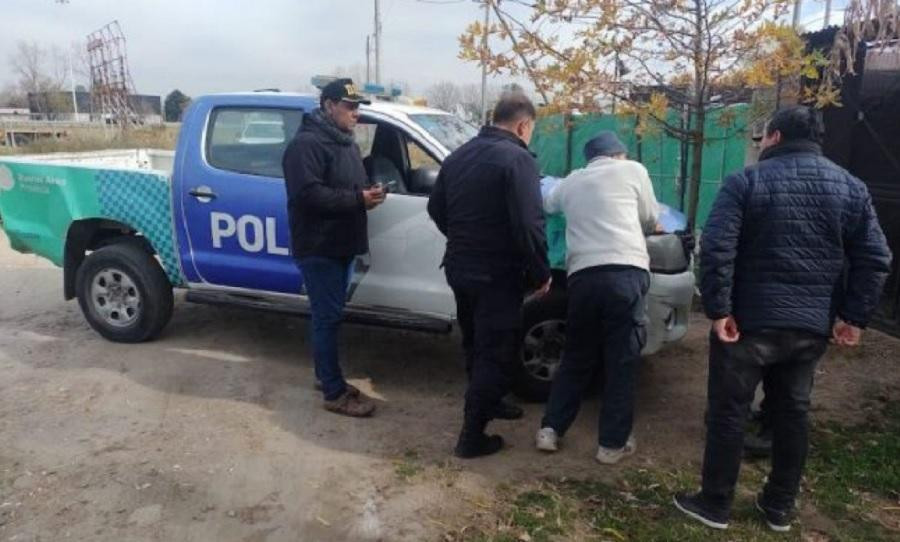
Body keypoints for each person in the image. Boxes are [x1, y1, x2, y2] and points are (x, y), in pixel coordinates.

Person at [674, 106, 892, 532]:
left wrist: (719, 309)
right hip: (810, 327)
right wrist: (854, 317)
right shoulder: (851, 187)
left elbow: (717, 246)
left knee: (729, 412)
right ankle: (778, 507)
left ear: (773, 137)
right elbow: (876, 257)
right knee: (793, 412)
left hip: (747, 326)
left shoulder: (746, 180)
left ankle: (715, 504)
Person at [427, 91, 551, 458]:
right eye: (532, 130)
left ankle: (491, 401)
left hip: (460, 267)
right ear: (523, 125)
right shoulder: (517, 159)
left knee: (475, 343)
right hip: (496, 274)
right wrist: (542, 271)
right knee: (493, 352)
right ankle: (471, 437)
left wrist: (463, 236)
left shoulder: (458, 156)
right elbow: (530, 224)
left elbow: (437, 208)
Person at [534, 131, 660, 464]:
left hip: (583, 277)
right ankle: (611, 445)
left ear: (590, 158)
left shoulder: (574, 181)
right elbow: (648, 217)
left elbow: (547, 203)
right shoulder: (634, 171)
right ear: (619, 154)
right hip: (626, 274)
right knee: (620, 360)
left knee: (576, 355)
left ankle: (550, 430)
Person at [282, 78, 387, 417]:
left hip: (341, 243)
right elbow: (308, 195)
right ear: (328, 105)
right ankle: (333, 392)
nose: (356, 113)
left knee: (330, 316)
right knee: (327, 318)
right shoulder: (306, 145)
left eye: (358, 107)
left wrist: (367, 192)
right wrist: (357, 199)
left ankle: (325, 375)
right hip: (319, 245)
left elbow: (343, 186)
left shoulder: (345, 142)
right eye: (350, 106)